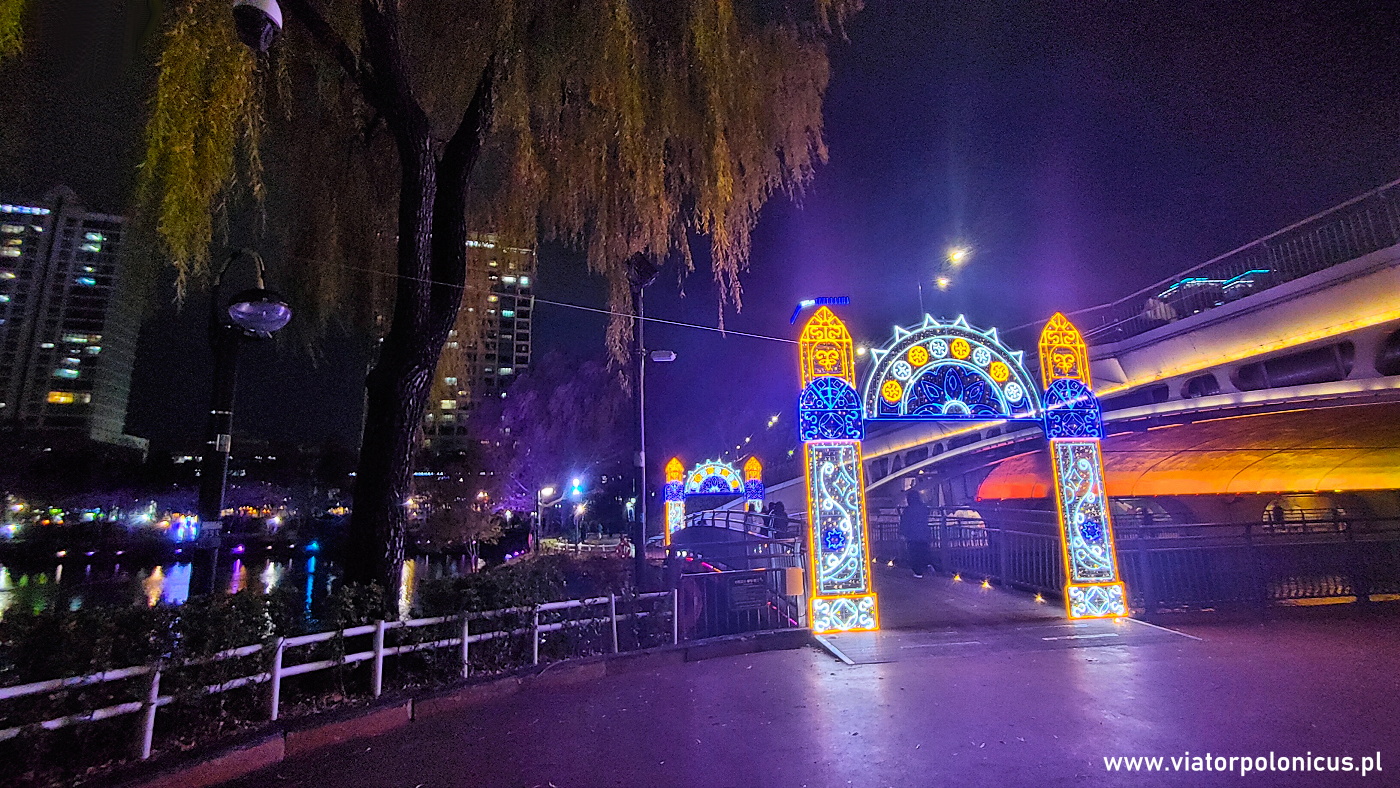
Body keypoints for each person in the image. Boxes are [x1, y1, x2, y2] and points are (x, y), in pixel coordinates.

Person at [900, 489, 932, 578]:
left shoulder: (907, 510)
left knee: (914, 553)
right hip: (923, 535)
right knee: (923, 551)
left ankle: (917, 571)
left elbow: (904, 522)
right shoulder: (924, 508)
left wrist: (902, 533)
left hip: (912, 536)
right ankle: (925, 566)